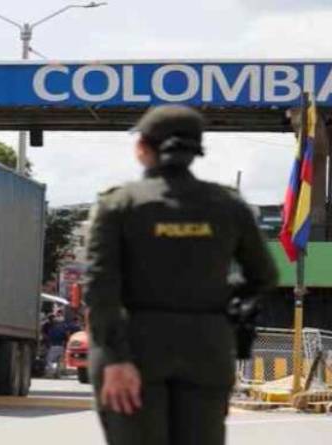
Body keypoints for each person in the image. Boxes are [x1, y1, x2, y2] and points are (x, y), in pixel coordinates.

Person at [84, 105, 277, 445]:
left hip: (134, 349)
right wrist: (217, 298)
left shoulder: (119, 205)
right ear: (195, 149)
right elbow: (264, 275)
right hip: (207, 349)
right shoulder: (228, 205)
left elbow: (101, 288)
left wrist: (115, 360)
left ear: (142, 147)